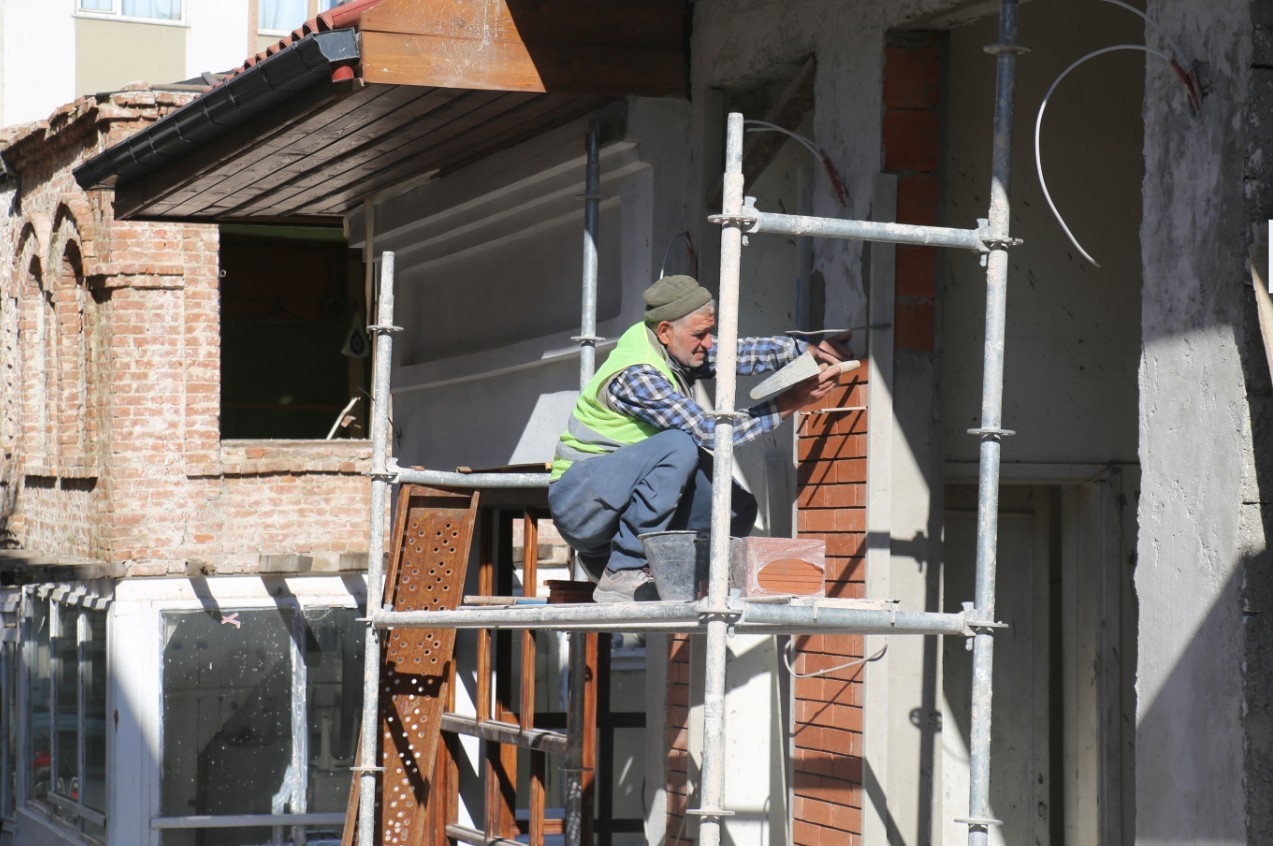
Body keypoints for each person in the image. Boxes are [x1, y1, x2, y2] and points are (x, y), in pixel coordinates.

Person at [548, 275, 847, 602]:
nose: (708, 343)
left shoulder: (673, 344)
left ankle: (656, 572)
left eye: (709, 332)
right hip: (581, 502)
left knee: (735, 509)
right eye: (700, 334)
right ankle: (623, 568)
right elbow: (710, 432)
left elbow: (737, 354)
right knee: (679, 447)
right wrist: (790, 403)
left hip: (614, 500)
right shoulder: (637, 373)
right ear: (665, 331)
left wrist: (801, 351)